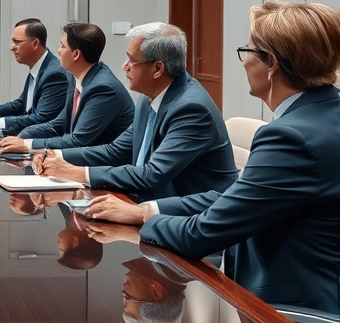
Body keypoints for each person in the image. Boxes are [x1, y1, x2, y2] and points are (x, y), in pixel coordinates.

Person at [86, 0, 340, 323]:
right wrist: (145, 210)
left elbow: (201, 234)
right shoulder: (322, 118)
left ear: (271, 63)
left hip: (294, 317)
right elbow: (236, 196)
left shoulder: (290, 138)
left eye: (247, 50)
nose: (244, 60)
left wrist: (135, 230)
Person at [33, 22, 237, 201]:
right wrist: (55, 156)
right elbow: (115, 151)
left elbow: (151, 174)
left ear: (157, 69)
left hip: (190, 220)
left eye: (132, 60)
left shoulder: (192, 110)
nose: (124, 66)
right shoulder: (148, 96)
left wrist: (77, 173)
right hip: (146, 201)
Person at [0, 23, 134, 152]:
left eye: (62, 46)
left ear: (75, 54)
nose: (58, 51)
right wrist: (23, 136)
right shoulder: (75, 77)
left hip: (103, 167)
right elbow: (58, 124)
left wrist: (28, 144)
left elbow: (78, 141)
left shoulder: (103, 89)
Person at [0, 18, 69, 134]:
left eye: (17, 42)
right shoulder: (40, 68)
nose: (12, 47)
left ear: (34, 44)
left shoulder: (54, 74)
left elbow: (42, 118)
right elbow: (21, 104)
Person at [120, 257, 188, 323]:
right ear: (156, 290)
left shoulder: (173, 260)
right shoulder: (179, 250)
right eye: (127, 296)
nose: (124, 287)